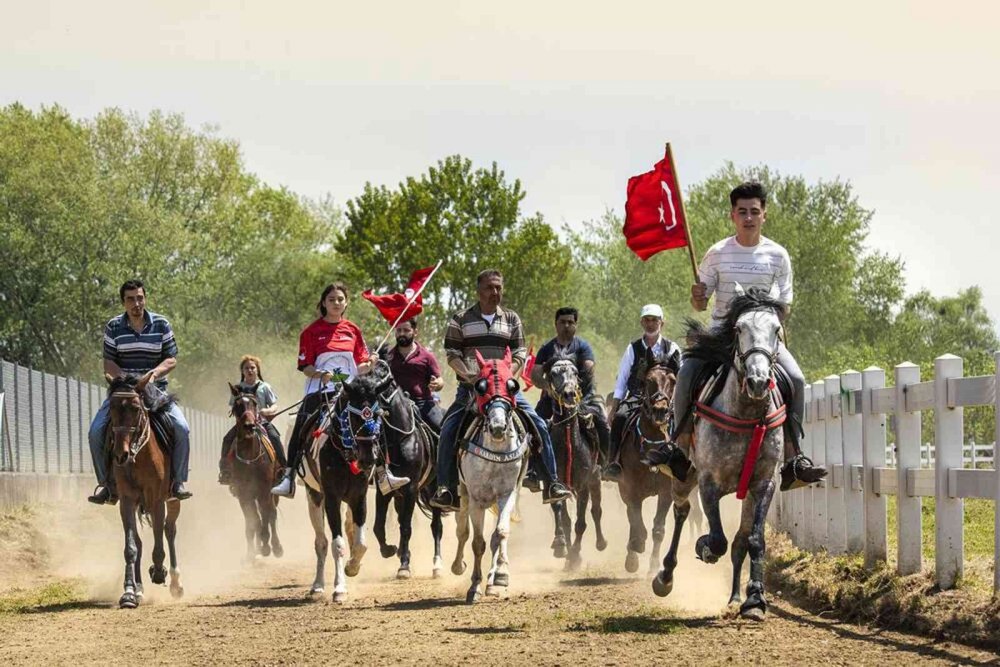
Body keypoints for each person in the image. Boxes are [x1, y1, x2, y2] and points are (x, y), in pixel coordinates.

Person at [641, 181, 826, 490]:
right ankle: (679, 448)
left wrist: (760, 325)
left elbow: (785, 308)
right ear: (733, 215)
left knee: (796, 379)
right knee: (686, 373)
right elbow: (700, 304)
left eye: (754, 211)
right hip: (720, 337)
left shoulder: (778, 255)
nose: (748, 217)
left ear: (764, 214)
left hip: (763, 339)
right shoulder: (716, 254)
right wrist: (697, 296)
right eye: (742, 212)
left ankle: (794, 458)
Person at [429, 269, 572, 511]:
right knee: (447, 429)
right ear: (478, 290)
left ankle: (551, 482)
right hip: (471, 391)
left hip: (506, 391)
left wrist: (505, 375)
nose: (495, 292)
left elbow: (519, 354)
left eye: (498, 288)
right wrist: (471, 375)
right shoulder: (460, 319)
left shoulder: (512, 319)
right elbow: (452, 354)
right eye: (489, 287)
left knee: (539, 424)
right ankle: (446, 489)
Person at [270, 282, 410, 498]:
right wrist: (320, 374)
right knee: (301, 423)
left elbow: (360, 366)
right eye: (331, 299)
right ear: (323, 303)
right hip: (319, 391)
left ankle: (384, 473)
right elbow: (305, 367)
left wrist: (371, 363)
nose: (336, 303)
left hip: (350, 392)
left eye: (340, 299)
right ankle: (289, 477)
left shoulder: (353, 330)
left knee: (374, 420)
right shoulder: (310, 332)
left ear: (346, 303)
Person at [87, 279, 192, 504]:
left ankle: (177, 481)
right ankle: (106, 485)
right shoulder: (113, 327)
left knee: (182, 428)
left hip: (155, 391)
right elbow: (108, 363)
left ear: (145, 298)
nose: (136, 303)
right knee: (95, 432)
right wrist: (127, 383)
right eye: (130, 299)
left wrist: (152, 375)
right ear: (123, 302)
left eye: (140, 298)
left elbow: (171, 359)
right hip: (124, 393)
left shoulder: (161, 324)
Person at [601, 304, 680, 482]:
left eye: (654, 320)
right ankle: (613, 463)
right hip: (637, 396)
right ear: (642, 323)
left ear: (662, 323)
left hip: (667, 398)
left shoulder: (672, 347)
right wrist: (614, 407)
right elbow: (622, 379)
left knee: (685, 422)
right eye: (647, 320)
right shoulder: (633, 348)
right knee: (620, 418)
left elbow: (680, 376)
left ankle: (685, 464)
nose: (650, 324)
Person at [530, 306, 610, 471]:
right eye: (562, 322)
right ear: (556, 324)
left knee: (602, 423)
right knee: (533, 425)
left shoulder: (583, 347)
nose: (566, 325)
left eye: (570, 322)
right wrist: (547, 386)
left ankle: (605, 463)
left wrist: (573, 385)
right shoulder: (546, 348)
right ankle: (533, 469)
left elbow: (589, 369)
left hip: (584, 397)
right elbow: (535, 374)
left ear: (575, 325)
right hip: (552, 399)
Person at [218, 355, 287, 485]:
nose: (250, 370)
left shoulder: (264, 387)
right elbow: (233, 407)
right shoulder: (237, 388)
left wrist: (266, 411)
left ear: (257, 370)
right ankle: (225, 470)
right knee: (227, 439)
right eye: (246, 368)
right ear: (242, 371)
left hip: (262, 422)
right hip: (243, 424)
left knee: (275, 437)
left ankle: (283, 470)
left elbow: (274, 405)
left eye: (252, 367)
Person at [385, 318, 445, 431]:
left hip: (423, 403)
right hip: (395, 405)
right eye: (398, 330)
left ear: (415, 332)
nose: (402, 334)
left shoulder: (427, 356)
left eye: (406, 330)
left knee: (441, 429)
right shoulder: (388, 357)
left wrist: (437, 384)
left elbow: (439, 379)